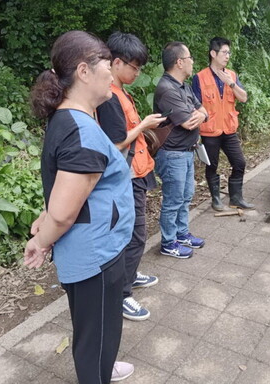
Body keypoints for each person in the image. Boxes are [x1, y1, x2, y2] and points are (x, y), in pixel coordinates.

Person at [25, 31, 135, 383]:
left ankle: (102, 369)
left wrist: (44, 225)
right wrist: (42, 240)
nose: (112, 73)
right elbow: (63, 212)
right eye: (107, 64)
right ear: (84, 71)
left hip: (96, 251)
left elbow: (62, 191)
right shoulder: (80, 131)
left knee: (97, 333)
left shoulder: (69, 119)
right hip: (96, 257)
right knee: (95, 342)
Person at [96, 32, 166, 322]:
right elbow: (115, 144)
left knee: (134, 234)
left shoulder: (120, 91)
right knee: (135, 236)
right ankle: (121, 296)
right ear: (116, 62)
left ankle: (130, 274)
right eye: (134, 67)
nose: (137, 73)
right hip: (127, 176)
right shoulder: (109, 96)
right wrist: (145, 125)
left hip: (138, 170)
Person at [153, 41, 207, 259]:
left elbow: (202, 110)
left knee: (186, 196)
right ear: (179, 62)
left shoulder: (183, 86)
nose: (193, 62)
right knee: (173, 200)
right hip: (172, 153)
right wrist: (200, 115)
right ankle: (168, 242)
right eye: (190, 57)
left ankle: (182, 234)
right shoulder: (166, 89)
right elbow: (188, 122)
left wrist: (202, 114)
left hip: (187, 151)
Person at [192, 37, 254, 211]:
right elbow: (195, 104)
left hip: (228, 129)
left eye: (229, 53)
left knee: (240, 163)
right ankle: (216, 199)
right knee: (212, 166)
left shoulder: (232, 75)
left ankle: (236, 198)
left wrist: (231, 83)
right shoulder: (199, 77)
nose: (228, 56)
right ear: (213, 53)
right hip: (210, 131)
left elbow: (243, 97)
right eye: (224, 52)